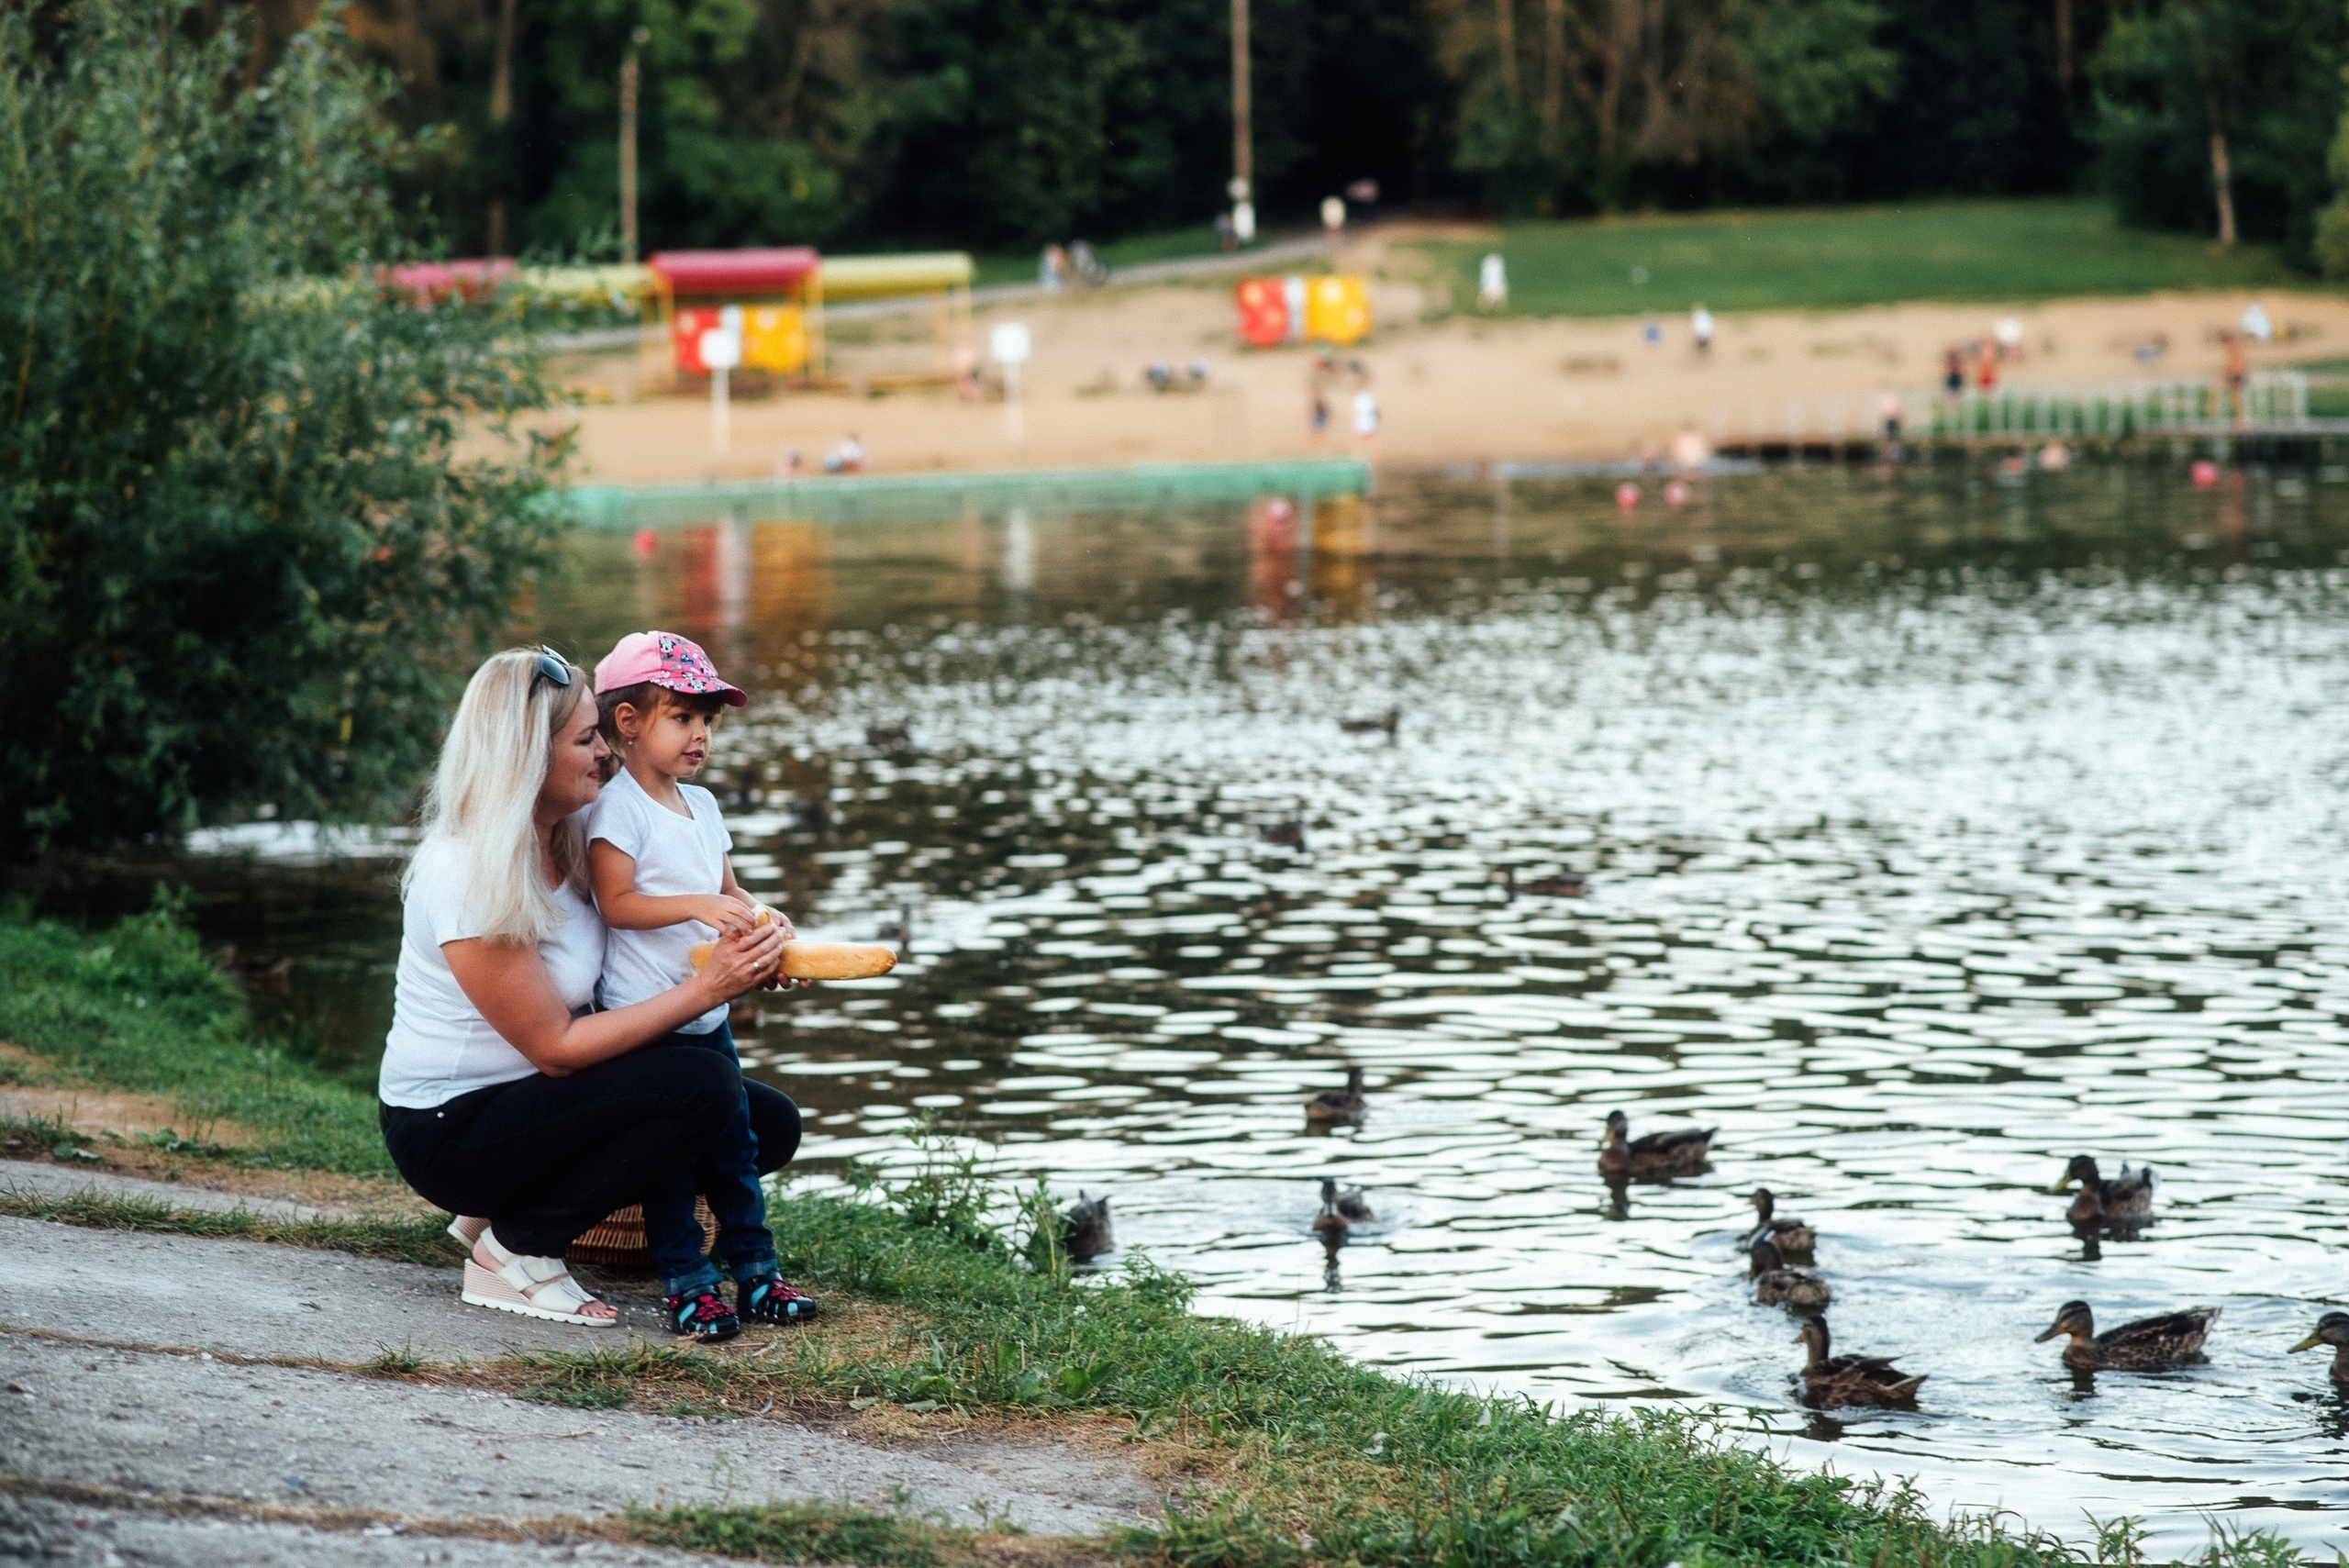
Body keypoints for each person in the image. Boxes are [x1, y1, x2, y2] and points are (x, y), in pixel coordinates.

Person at [377, 648, 800, 1329]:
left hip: (532, 1102)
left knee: (763, 1121)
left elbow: (658, 927)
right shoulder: (464, 871)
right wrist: (708, 990)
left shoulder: (574, 835)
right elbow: (556, 1049)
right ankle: (516, 1250)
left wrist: (756, 945)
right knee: (703, 1089)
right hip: (452, 1130)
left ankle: (515, 1206)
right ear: (525, 755)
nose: (605, 750)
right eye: (585, 739)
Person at [588, 632, 818, 1340]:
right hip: (649, 1020)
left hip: (708, 1015)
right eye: (683, 717)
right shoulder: (618, 808)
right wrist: (697, 905)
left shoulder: (704, 806)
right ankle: (688, 1283)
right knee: (670, 1159)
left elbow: (728, 891)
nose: (701, 735)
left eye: (707, 721)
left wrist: (764, 919)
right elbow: (615, 902)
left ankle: (757, 1272)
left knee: (735, 1148)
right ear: (630, 722)